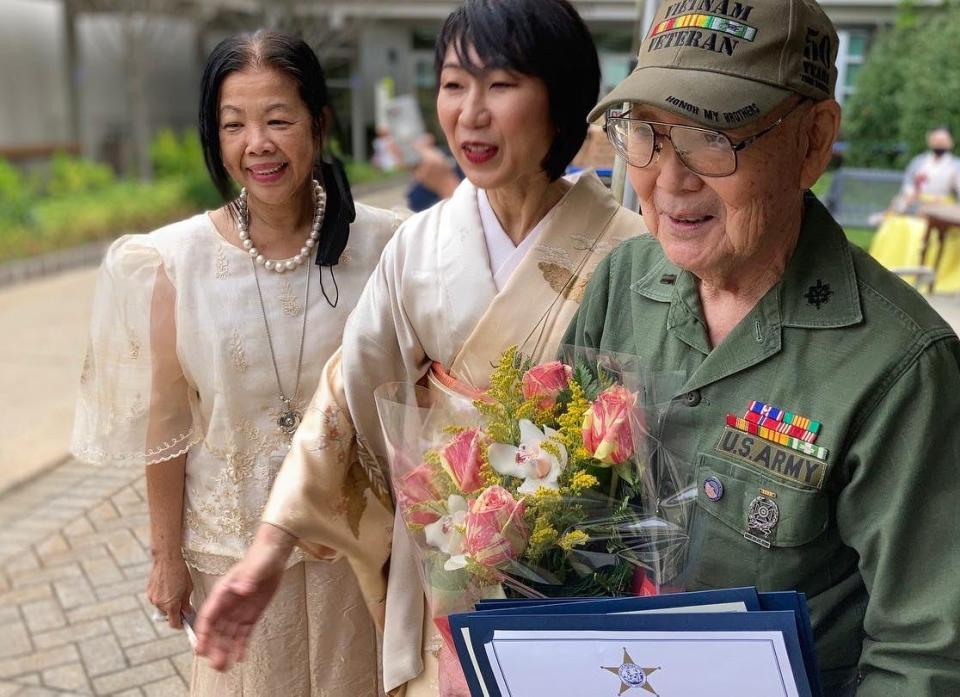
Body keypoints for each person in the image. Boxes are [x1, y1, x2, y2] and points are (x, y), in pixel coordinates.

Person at [194, 1, 644, 695]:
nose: (470, 113)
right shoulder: (422, 243)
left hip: (584, 559)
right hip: (449, 553)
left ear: (560, 96)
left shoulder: (631, 251)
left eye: (500, 84)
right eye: (454, 84)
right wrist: (268, 546)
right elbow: (346, 396)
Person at [566, 1, 960, 695]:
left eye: (711, 136)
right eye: (648, 134)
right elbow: (561, 511)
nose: (670, 178)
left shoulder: (902, 368)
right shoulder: (623, 282)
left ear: (813, 140)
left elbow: (924, 657)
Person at [70, 31, 401, 696]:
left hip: (359, 550)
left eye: (279, 119)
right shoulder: (171, 262)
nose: (258, 144)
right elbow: (166, 425)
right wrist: (166, 558)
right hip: (232, 552)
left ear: (319, 122)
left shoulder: (388, 244)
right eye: (234, 125)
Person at [894, 127, 960, 210]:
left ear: (951, 142)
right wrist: (910, 194)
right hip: (917, 202)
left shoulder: (956, 165)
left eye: (943, 141)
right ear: (930, 142)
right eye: (936, 141)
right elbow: (908, 183)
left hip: (944, 204)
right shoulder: (918, 161)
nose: (939, 144)